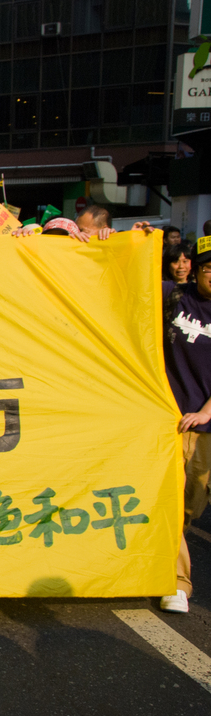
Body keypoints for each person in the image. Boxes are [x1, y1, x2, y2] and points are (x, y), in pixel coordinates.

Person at [159, 236, 211, 613]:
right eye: (208, 268)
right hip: (170, 422)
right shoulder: (175, 297)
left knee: (193, 503)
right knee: (172, 504)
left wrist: (208, 411)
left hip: (206, 425)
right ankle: (176, 582)